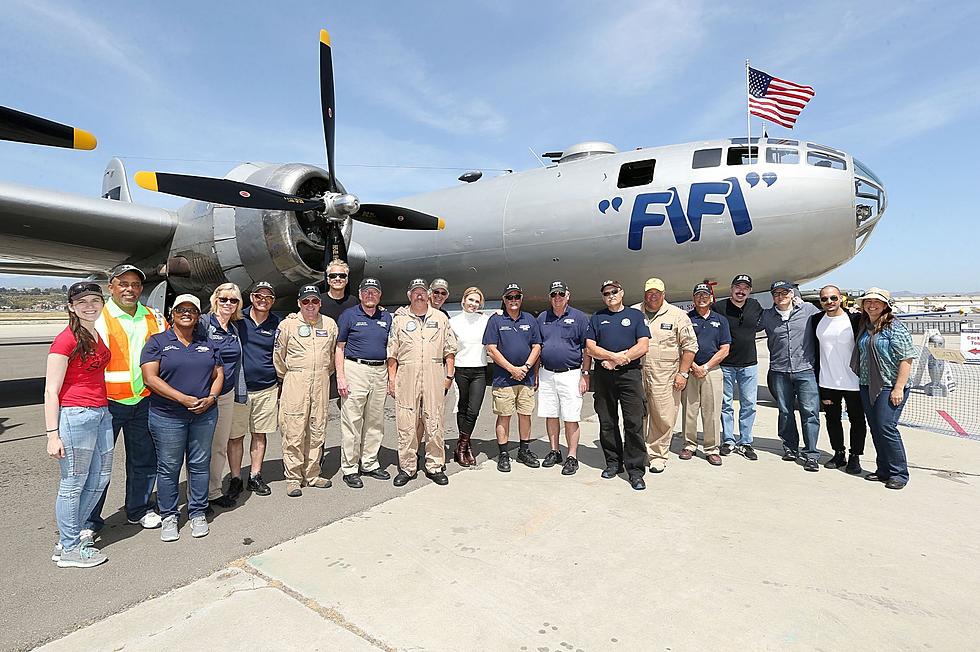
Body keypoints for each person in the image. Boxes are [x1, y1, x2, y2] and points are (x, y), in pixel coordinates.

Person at [90, 264, 166, 535]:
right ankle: (89, 521)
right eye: (123, 284)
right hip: (106, 402)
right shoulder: (96, 317)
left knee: (144, 460)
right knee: (98, 465)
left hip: (143, 400)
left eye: (135, 284)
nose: (130, 289)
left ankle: (139, 509)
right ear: (110, 287)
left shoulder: (153, 318)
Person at [140, 294, 223, 542]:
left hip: (204, 414)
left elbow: (218, 373)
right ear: (172, 314)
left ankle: (197, 511)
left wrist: (211, 397)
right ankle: (169, 515)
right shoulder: (157, 342)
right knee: (169, 467)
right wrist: (182, 398)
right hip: (168, 415)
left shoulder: (207, 343)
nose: (186, 313)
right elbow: (150, 378)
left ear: (198, 316)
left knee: (199, 464)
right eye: (180, 309)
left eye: (192, 310)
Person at [45, 282, 113, 568]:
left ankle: (69, 536)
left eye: (95, 300)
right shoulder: (66, 340)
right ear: (71, 306)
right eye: (82, 301)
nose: (89, 306)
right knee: (73, 483)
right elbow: (51, 390)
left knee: (100, 478)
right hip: (76, 414)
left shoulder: (95, 332)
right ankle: (70, 547)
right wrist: (52, 434)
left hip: (101, 412)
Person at [387, 279, 458, 486]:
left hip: (434, 372)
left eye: (422, 292)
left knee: (434, 419)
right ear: (409, 295)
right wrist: (392, 379)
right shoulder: (399, 320)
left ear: (428, 295)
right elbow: (392, 352)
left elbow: (450, 349)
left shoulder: (440, 318)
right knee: (406, 420)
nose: (419, 295)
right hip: (406, 372)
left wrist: (449, 376)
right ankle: (408, 467)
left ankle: (434, 465)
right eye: (415, 292)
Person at [274, 285, 339, 497]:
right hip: (295, 379)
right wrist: (292, 375)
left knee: (317, 428)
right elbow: (278, 357)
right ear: (299, 303)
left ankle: (312, 474)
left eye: (314, 301)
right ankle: (293, 477)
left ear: (320, 303)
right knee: (293, 429)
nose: (310, 305)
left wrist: (321, 373)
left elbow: (331, 358)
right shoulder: (287, 325)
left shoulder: (329, 324)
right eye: (305, 302)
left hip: (320, 380)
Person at [585, 280, 650, 490]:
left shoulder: (636, 316)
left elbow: (643, 345)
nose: (610, 295)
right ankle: (613, 463)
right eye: (606, 293)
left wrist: (620, 359)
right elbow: (590, 348)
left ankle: (636, 470)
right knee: (607, 421)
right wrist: (613, 357)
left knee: (633, 423)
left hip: (629, 375)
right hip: (604, 377)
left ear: (622, 292)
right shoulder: (597, 318)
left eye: (614, 291)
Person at [852, 288, 915, 490]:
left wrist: (899, 388)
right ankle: (883, 470)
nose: (872, 305)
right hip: (867, 384)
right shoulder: (865, 325)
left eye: (876, 302)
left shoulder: (894, 327)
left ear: (886, 305)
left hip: (889, 385)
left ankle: (899, 473)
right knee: (876, 428)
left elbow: (906, 359)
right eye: (868, 301)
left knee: (886, 427)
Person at [335, 278, 392, 488]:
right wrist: (340, 376)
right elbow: (339, 348)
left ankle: (369, 462)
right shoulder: (349, 315)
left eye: (374, 292)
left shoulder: (386, 317)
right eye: (366, 292)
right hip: (355, 369)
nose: (370, 295)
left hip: (379, 370)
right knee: (352, 420)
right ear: (360, 295)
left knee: (375, 421)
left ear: (379, 296)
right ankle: (350, 468)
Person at [759, 280, 822, 471]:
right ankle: (790, 448)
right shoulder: (767, 316)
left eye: (784, 293)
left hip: (805, 370)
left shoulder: (809, 310)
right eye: (776, 294)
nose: (781, 297)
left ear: (792, 294)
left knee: (810, 412)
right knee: (785, 411)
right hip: (779, 370)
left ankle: (811, 453)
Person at [637, 278, 697, 474]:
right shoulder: (634, 312)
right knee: (636, 415)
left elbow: (689, 346)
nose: (652, 296)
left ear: (664, 294)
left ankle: (657, 455)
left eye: (656, 292)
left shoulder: (678, 316)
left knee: (662, 416)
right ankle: (637, 453)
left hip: (665, 375)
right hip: (636, 372)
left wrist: (683, 373)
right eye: (649, 292)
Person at [227, 281, 281, 497]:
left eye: (268, 297)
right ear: (251, 298)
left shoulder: (278, 323)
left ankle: (255, 476)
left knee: (259, 434)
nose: (263, 300)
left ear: (273, 301)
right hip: (240, 389)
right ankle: (235, 478)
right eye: (259, 296)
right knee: (236, 436)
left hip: (267, 387)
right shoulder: (237, 319)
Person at [483, 283, 542, 472]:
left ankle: (524, 450)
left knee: (525, 415)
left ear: (521, 299)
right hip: (503, 379)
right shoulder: (495, 321)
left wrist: (525, 368)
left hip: (525, 378)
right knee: (504, 416)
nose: (513, 301)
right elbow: (491, 349)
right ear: (504, 300)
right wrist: (511, 369)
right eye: (510, 297)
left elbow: (537, 346)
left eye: (517, 297)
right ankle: (503, 454)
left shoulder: (530, 320)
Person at [535, 280, 591, 476]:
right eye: (553, 295)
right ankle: (554, 451)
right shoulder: (542, 318)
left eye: (560, 294)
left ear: (568, 295)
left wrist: (585, 374)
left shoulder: (579, 317)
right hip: (547, 373)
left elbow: (587, 348)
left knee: (571, 417)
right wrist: (535, 374)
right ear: (549, 297)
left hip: (571, 373)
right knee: (551, 414)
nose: (557, 298)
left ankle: (572, 456)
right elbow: (537, 348)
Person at [810, 285, 866, 474]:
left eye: (833, 298)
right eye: (824, 299)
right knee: (832, 419)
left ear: (840, 298)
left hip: (853, 382)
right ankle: (839, 453)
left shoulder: (855, 320)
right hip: (827, 381)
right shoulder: (816, 320)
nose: (829, 302)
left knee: (857, 420)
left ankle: (855, 456)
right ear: (820, 302)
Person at [202, 283, 247, 510]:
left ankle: (213, 491)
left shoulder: (233, 329)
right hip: (204, 395)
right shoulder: (203, 323)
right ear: (215, 300)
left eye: (234, 300)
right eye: (224, 299)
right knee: (200, 448)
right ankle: (197, 497)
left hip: (226, 393)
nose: (228, 303)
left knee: (219, 445)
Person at [681, 283, 730, 466]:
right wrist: (693, 366)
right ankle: (689, 445)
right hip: (691, 370)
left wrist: (706, 367)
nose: (702, 298)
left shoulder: (720, 320)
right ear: (693, 298)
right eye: (698, 295)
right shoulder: (686, 319)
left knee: (712, 411)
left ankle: (712, 449)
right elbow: (681, 346)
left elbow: (725, 349)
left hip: (712, 371)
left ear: (711, 298)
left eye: (705, 295)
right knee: (690, 410)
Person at [716, 274, 762, 460]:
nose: (741, 290)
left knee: (749, 405)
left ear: (749, 291)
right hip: (726, 364)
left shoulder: (755, 306)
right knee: (725, 404)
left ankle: (745, 442)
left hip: (749, 364)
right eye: (737, 287)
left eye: (745, 288)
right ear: (731, 289)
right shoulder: (719, 307)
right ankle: (728, 440)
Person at [448, 286, 490, 467]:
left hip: (479, 370)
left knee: (473, 410)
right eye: (470, 300)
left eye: (477, 301)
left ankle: (461, 446)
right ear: (463, 301)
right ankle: (465, 447)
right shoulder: (453, 322)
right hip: (460, 369)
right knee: (462, 409)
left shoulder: (486, 320)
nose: (473, 304)